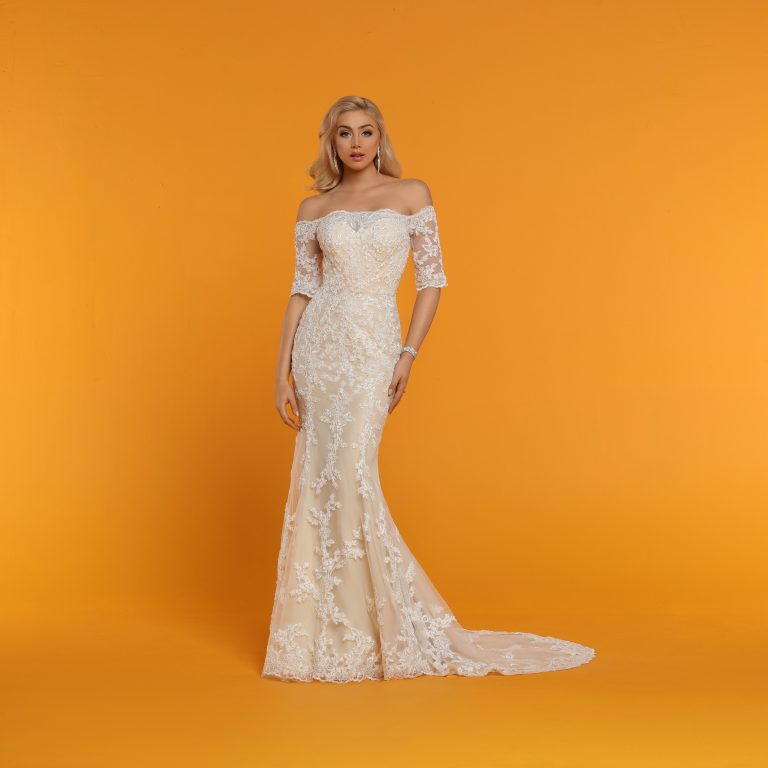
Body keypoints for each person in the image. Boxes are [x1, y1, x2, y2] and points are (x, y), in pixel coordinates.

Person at [262, 95, 596, 683]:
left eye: (366, 131)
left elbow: (431, 281)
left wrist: (408, 354)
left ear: (380, 138)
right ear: (331, 142)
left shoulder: (411, 194)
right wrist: (280, 369)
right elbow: (301, 290)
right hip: (320, 351)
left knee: (352, 474)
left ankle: (378, 625)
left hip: (372, 346)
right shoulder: (314, 207)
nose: (356, 143)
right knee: (321, 479)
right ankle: (327, 633)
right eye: (345, 133)